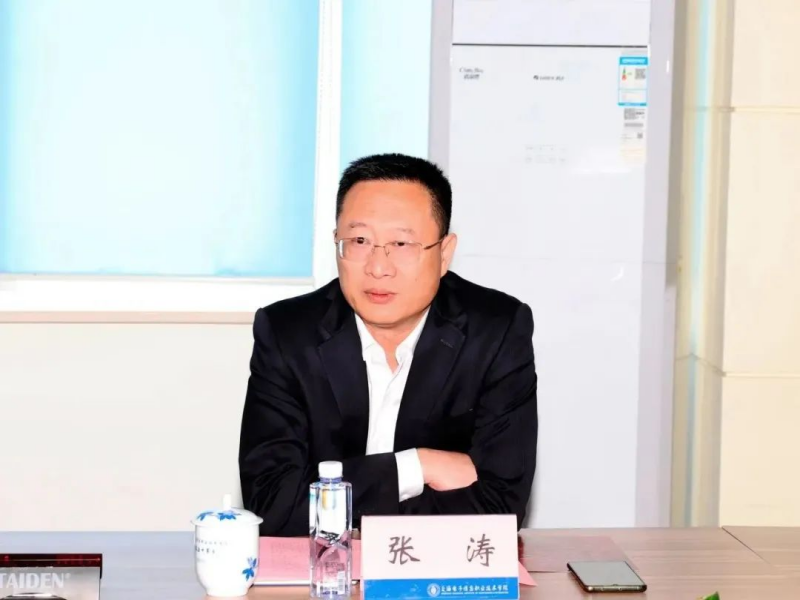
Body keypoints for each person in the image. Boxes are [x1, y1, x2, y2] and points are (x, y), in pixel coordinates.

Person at [239, 153, 537, 536]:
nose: (378, 268)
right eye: (359, 241)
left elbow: (501, 506)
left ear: (444, 253)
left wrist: (350, 516)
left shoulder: (496, 332)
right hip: (322, 569)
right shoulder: (287, 334)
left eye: (401, 243)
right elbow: (271, 504)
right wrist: (416, 467)